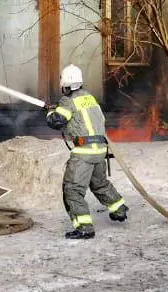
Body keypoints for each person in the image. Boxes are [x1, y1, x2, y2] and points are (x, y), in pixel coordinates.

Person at [44, 64, 129, 239]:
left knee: (73, 189)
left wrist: (50, 112)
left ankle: (84, 227)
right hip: (100, 151)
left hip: (83, 153)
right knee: (100, 183)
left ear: (65, 84)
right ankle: (119, 209)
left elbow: (56, 122)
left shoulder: (68, 101)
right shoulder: (90, 98)